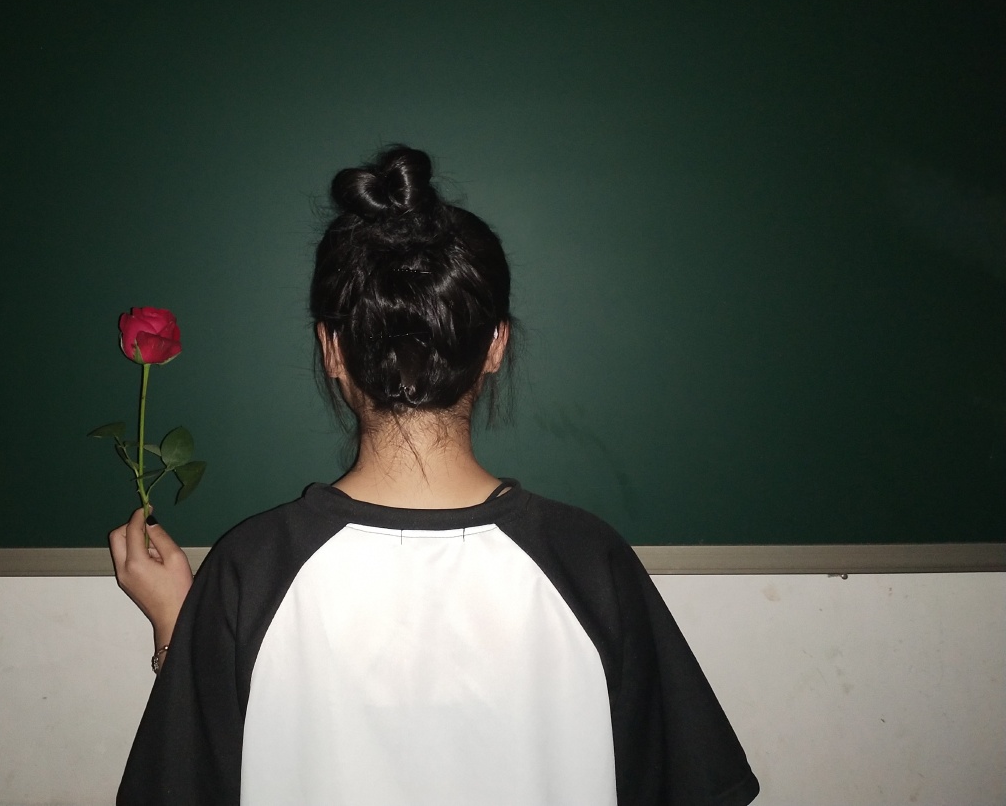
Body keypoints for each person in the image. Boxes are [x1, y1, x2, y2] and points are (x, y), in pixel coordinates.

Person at [109, 146, 760, 806]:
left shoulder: (251, 569)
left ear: (331, 349)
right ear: (497, 344)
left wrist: (180, 632)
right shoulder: (590, 562)